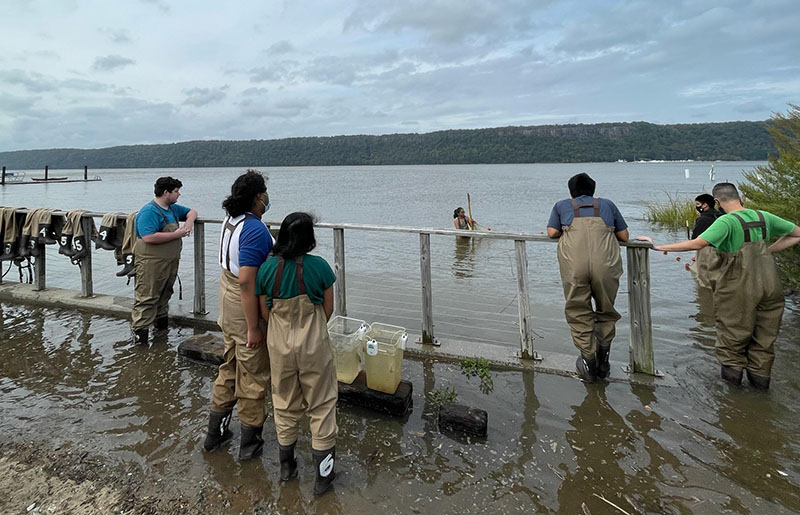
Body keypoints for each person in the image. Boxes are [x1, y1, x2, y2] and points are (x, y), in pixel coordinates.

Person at [641, 183, 800, 390]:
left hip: (739, 286)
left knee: (731, 341)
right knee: (764, 343)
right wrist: (768, 251)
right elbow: (797, 233)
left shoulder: (726, 221)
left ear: (717, 201)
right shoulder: (763, 217)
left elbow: (697, 243)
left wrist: (657, 246)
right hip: (770, 286)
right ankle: (761, 396)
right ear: (739, 197)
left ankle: (732, 401)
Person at [256, 212, 337, 495]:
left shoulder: (266, 270)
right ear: (309, 239)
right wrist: (312, 330)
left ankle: (287, 467)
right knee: (322, 403)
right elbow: (328, 309)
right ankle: (323, 478)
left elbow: (264, 312)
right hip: (313, 340)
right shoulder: (321, 268)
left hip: (278, 343)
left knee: (284, 401)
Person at [203, 170, 274, 460]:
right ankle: (250, 447)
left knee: (230, 366)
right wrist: (254, 326)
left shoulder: (232, 220)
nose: (267, 197)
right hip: (243, 306)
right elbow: (247, 281)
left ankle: (215, 435)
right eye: (265, 192)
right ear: (259, 197)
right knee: (254, 375)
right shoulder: (255, 230)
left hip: (227, 300)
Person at [546, 173, 629, 382]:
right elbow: (624, 236)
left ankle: (588, 363)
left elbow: (552, 233)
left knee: (578, 311)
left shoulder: (561, 206)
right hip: (606, 266)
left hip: (575, 267)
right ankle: (604, 361)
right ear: (593, 190)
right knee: (606, 310)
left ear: (570, 192)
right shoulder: (608, 205)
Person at [130, 177, 197, 345]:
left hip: (169, 262)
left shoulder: (172, 208)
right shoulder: (149, 211)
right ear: (166, 192)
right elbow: (149, 237)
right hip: (150, 263)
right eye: (176, 191)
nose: (179, 194)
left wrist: (188, 223)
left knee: (164, 296)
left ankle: (161, 337)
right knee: (147, 298)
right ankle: (140, 342)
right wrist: (178, 234)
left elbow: (192, 212)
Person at [690, 193, 721, 289]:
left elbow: (695, 238)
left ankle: (705, 300)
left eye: (698, 204)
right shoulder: (720, 215)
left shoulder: (703, 219)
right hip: (721, 249)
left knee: (705, 279)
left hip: (706, 250)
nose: (697, 207)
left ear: (705, 205)